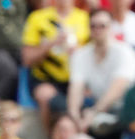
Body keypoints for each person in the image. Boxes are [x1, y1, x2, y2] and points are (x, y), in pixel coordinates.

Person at [67, 9, 135, 139]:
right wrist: (74, 116)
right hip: (98, 106)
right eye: (93, 26)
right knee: (65, 114)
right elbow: (76, 88)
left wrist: (93, 112)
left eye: (102, 26)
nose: (97, 29)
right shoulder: (81, 54)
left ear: (111, 27)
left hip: (126, 108)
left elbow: (118, 88)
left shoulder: (125, 52)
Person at [21, 0, 89, 132]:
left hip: (76, 78)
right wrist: (51, 44)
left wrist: (77, 51)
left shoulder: (84, 18)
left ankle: (79, 137)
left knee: (86, 98)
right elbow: (27, 59)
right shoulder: (37, 17)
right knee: (45, 96)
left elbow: (92, 55)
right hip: (46, 77)